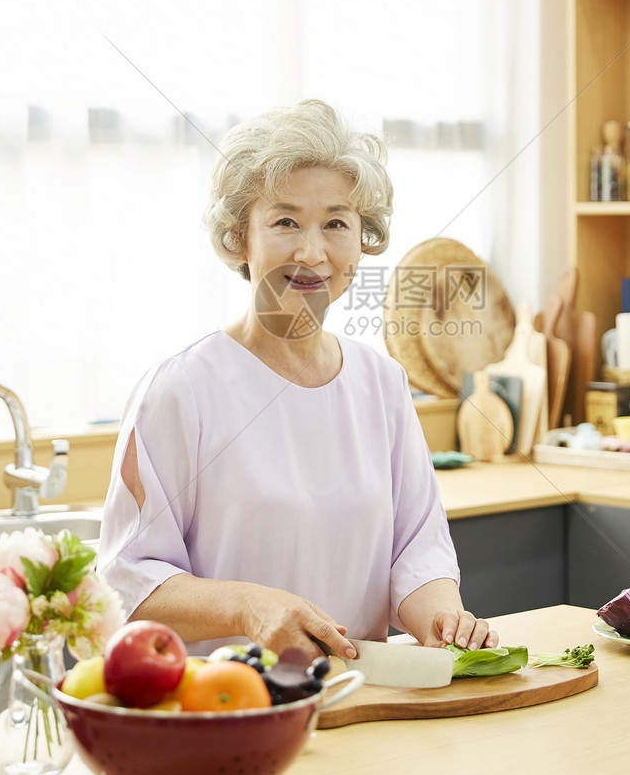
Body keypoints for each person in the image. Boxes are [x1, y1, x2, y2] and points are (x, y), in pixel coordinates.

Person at [98, 99, 498, 662]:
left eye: (336, 223)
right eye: (285, 221)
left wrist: (443, 620)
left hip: (362, 702)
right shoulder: (181, 389)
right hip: (229, 712)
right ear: (241, 238)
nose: (312, 252)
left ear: (363, 240)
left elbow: (417, 552)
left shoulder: (382, 382)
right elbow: (125, 582)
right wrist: (247, 606)